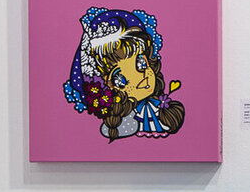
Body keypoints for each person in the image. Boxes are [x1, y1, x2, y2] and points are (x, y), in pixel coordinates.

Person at [63, 8, 184, 141]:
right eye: (119, 77)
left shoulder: (160, 107)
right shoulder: (124, 122)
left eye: (141, 62)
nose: (139, 75)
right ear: (107, 87)